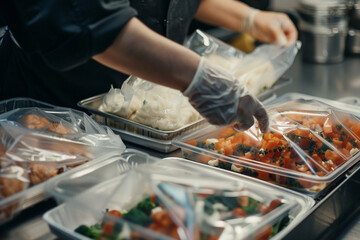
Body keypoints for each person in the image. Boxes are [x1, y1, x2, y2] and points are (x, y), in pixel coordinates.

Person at [0, 0, 297, 133]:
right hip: (50, 115)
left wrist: (249, 18)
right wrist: (197, 78)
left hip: (141, 123)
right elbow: (85, 19)